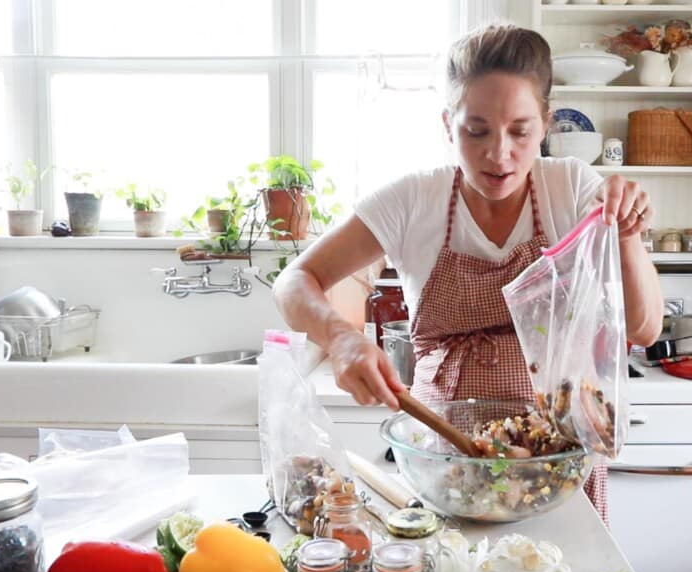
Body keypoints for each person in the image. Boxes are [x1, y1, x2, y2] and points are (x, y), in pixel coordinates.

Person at [274, 22, 663, 520]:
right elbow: (295, 280)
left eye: (520, 131)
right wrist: (339, 336)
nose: (497, 153)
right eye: (475, 131)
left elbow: (644, 327)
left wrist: (625, 232)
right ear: (447, 124)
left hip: (557, 464)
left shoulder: (571, 188)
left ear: (544, 125)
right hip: (443, 456)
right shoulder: (415, 200)